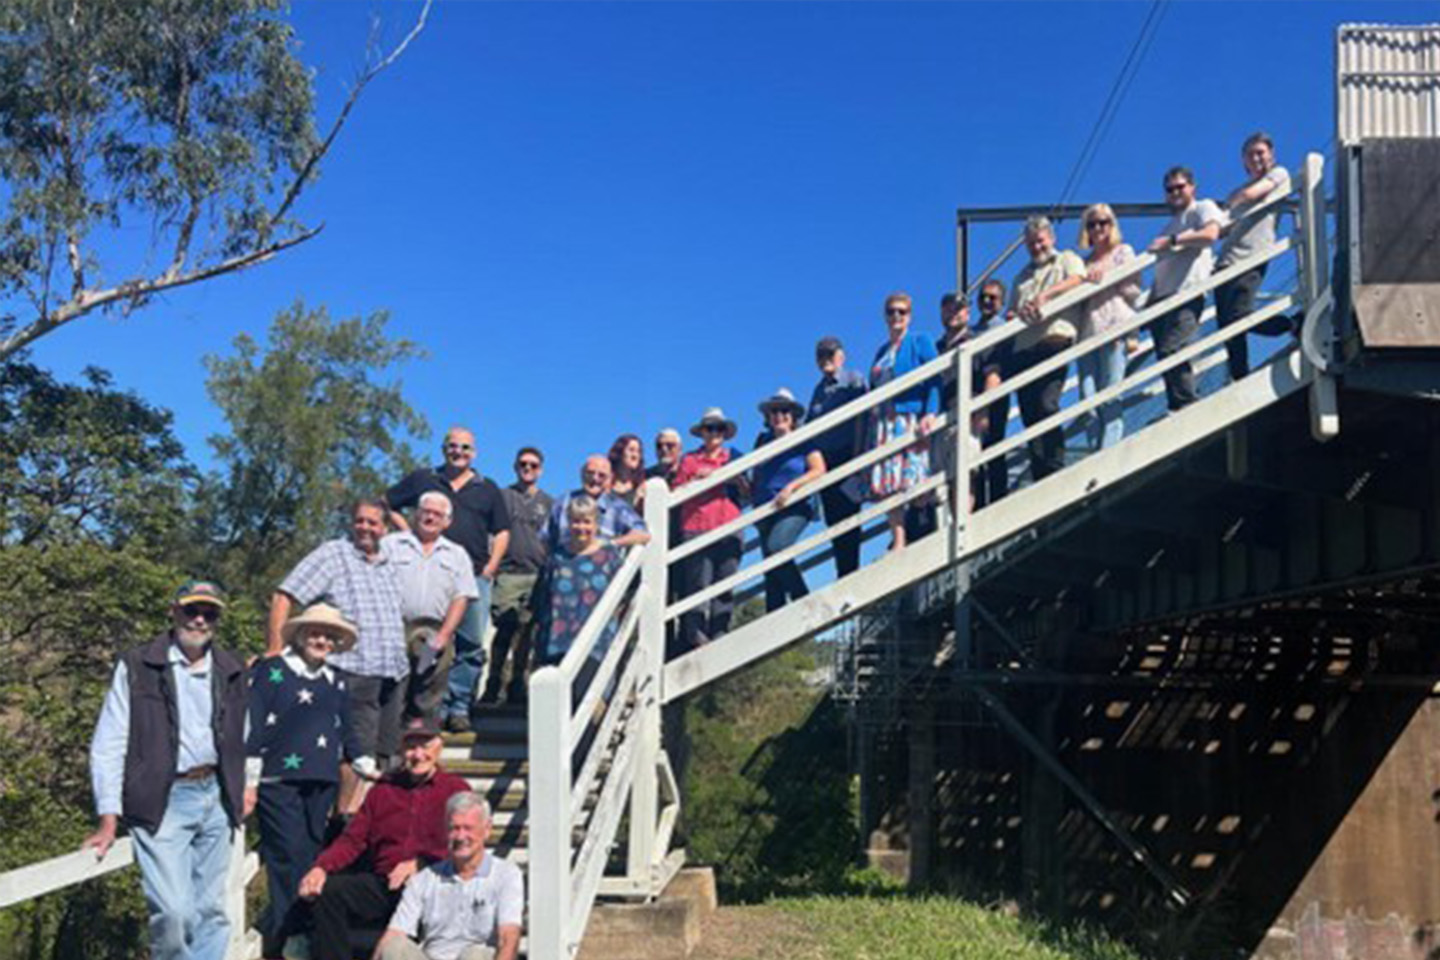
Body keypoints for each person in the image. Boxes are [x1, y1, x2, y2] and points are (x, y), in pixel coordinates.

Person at [84, 580, 248, 960]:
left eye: (210, 613)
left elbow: (246, 734)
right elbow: (109, 742)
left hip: (218, 796)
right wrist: (108, 817)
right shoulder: (139, 665)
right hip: (164, 798)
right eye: (192, 610)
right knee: (175, 913)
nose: (200, 620)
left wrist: (246, 786)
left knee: (212, 912)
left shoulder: (231, 668)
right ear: (174, 612)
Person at [269, 499, 406, 806]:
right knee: (356, 754)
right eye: (360, 521)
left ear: (385, 528)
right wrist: (275, 650)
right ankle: (342, 825)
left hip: (393, 672)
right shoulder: (334, 554)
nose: (365, 528)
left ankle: (369, 825)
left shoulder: (389, 562)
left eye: (373, 522)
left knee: (385, 756)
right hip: (354, 669)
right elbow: (284, 594)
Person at [246, 603, 363, 960]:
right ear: (299, 635)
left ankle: (302, 930)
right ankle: (292, 936)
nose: (321, 639)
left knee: (313, 854)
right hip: (278, 778)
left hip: (322, 779)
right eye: (315, 632)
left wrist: (363, 758)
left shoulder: (337, 680)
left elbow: (348, 728)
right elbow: (253, 726)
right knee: (286, 855)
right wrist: (249, 781)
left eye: (329, 635)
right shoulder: (271, 672)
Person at [298, 717, 469, 960]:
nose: (418, 754)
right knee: (329, 891)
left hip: (435, 885)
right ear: (401, 750)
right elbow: (353, 840)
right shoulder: (384, 789)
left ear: (439, 747)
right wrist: (321, 867)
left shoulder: (455, 790)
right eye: (411, 747)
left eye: (425, 746)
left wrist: (423, 864)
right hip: (385, 883)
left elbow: (466, 843)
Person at [385, 427, 512, 735]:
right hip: (428, 569)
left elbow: (503, 530)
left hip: (474, 574)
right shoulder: (424, 479)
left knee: (470, 644)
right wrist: (405, 532)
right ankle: (431, 706)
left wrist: (491, 566)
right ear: (443, 449)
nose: (459, 452)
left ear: (475, 453)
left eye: (465, 448)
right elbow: (386, 502)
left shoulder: (487, 488)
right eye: (453, 446)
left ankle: (459, 706)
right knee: (427, 641)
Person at [375, 792, 524, 960]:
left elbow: (508, 937)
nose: (460, 836)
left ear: (487, 829)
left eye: (468, 828)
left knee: (476, 954)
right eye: (455, 828)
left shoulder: (505, 874)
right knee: (395, 946)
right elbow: (394, 932)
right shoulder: (425, 879)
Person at [384, 492, 479, 723]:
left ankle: (421, 750)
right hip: (395, 631)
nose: (430, 518)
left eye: (438, 514)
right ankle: (388, 753)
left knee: (426, 695)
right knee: (392, 695)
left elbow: (461, 597)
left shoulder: (457, 554)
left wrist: (445, 635)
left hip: (433, 635)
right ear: (417, 514)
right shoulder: (391, 545)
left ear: (447, 522)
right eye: (426, 511)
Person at [1010, 216, 1086, 481]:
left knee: (1047, 403)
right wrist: (1020, 311)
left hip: (1054, 340)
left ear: (1051, 238)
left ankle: (1054, 464)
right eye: (1031, 243)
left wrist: (1046, 296)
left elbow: (1078, 278)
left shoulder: (1066, 258)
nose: (1036, 247)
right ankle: (1040, 469)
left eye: (1040, 241)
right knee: (1030, 412)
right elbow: (1012, 311)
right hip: (1025, 349)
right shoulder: (1020, 278)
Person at [1216, 132, 1291, 381]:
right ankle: (1239, 376)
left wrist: (1233, 202)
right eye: (1250, 154)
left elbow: (1252, 195)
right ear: (1243, 161)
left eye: (1260, 152)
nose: (1256, 158)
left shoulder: (1278, 174)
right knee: (1227, 325)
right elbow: (1221, 226)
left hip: (1252, 256)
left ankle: (1291, 325)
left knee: (1240, 316)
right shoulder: (1237, 190)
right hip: (1227, 259)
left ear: (1271, 155)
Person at [1147, 166, 1224, 411]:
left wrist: (1173, 241)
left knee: (1174, 348)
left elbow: (1211, 234)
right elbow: (1160, 273)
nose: (1175, 192)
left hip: (1187, 293)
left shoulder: (1203, 208)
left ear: (1192, 187)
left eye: (1180, 187)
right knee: (1163, 355)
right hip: (1162, 300)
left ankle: (1187, 403)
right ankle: (1176, 405)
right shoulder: (1166, 228)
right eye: (1170, 190)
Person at [868, 292, 940, 550]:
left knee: (915, 480)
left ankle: (923, 534)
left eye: (902, 311)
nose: (896, 316)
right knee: (890, 484)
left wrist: (930, 412)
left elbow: (934, 378)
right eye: (891, 311)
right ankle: (899, 539)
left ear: (909, 315)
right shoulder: (882, 351)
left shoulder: (920, 341)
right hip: (884, 424)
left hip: (910, 418)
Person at [481, 446, 553, 705]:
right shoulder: (502, 496)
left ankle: (517, 686)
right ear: (515, 467)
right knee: (504, 629)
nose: (528, 469)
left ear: (541, 470)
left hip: (537, 574)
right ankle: (493, 683)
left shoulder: (548, 503)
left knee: (527, 633)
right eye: (523, 464)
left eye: (533, 465)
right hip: (508, 572)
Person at [672, 408, 748, 652]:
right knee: (698, 584)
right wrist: (697, 480)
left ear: (725, 433)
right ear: (702, 433)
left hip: (729, 525)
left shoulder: (736, 457)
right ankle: (695, 636)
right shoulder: (689, 460)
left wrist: (731, 477)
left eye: (718, 428)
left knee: (725, 583)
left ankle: (720, 633)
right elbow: (676, 492)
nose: (714, 433)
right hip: (696, 526)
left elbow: (748, 491)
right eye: (709, 428)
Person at [751, 389, 826, 611]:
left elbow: (819, 469)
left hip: (794, 506)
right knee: (771, 574)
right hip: (765, 507)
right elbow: (757, 472)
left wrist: (791, 488)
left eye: (784, 411)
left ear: (793, 415)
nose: (779, 415)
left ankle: (804, 600)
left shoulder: (803, 439)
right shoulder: (762, 441)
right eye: (774, 411)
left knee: (778, 547)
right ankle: (773, 630)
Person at [531, 495, 626, 667]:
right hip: (556, 643)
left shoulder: (609, 556)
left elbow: (622, 598)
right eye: (576, 521)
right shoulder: (556, 557)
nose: (581, 527)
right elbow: (542, 597)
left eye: (587, 521)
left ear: (596, 524)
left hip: (595, 645)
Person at [1078, 203, 1142, 450]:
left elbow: (1133, 290)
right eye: (1091, 224)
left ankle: (1109, 448)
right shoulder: (1083, 263)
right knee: (1087, 398)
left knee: (1111, 393)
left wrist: (1106, 276)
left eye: (1103, 222)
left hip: (1115, 328)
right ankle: (1096, 449)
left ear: (1112, 225)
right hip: (1088, 334)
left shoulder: (1123, 252)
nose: (1097, 228)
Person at [807, 336, 867, 577]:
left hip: (848, 454)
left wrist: (859, 454)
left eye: (830, 354)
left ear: (841, 356)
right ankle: (842, 572)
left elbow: (864, 415)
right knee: (833, 520)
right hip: (825, 461)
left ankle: (850, 574)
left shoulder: (853, 379)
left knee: (850, 518)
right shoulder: (818, 390)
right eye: (821, 355)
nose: (826, 360)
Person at [544, 456, 650, 552]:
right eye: (590, 473)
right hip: (564, 569)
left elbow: (643, 534)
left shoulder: (617, 507)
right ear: (581, 474)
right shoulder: (563, 502)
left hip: (605, 570)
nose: (595, 478)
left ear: (610, 478)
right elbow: (544, 538)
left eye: (601, 475)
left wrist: (611, 544)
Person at [971, 279, 1013, 505]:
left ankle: (998, 502)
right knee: (973, 457)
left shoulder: (1005, 328)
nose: (986, 301)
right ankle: (977, 506)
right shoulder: (971, 331)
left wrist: (985, 406)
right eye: (982, 297)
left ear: (1002, 302)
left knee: (994, 448)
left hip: (994, 396)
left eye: (992, 297)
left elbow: (997, 366)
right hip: (972, 396)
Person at [608, 434, 647, 510]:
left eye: (638, 451)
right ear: (620, 452)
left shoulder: (641, 487)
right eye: (631, 450)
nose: (635, 455)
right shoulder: (606, 485)